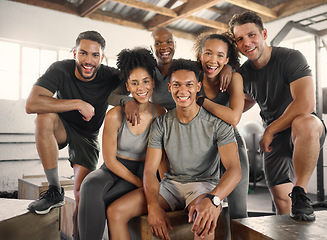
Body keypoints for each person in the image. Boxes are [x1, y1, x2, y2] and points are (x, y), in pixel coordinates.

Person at [106, 59, 242, 240]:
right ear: (169, 87)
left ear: (198, 87)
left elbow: (235, 170)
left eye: (189, 85)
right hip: (170, 185)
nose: (183, 90)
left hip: (203, 186)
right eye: (177, 85)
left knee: (203, 220)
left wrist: (213, 199)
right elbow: (149, 170)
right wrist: (153, 205)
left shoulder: (218, 123)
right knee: (115, 211)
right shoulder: (161, 123)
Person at [25, 31, 127, 237]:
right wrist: (78, 104)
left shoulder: (109, 75)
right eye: (83, 53)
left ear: (102, 58)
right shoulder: (60, 69)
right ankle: (55, 190)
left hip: (88, 137)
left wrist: (129, 101)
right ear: (74, 53)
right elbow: (31, 104)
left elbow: (139, 79)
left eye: (95, 55)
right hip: (62, 126)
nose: (89, 60)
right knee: (43, 117)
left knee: (82, 195)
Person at [229, 11, 327, 221]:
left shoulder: (290, 57)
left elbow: (305, 103)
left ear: (264, 33)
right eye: (240, 39)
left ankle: (300, 191)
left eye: (252, 35)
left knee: (306, 121)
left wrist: (270, 130)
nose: (247, 42)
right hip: (274, 136)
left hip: (301, 128)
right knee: (282, 202)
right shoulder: (245, 73)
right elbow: (246, 101)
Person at [77, 48, 166, 240]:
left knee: (108, 201)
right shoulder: (115, 115)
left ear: (152, 82)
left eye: (145, 82)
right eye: (134, 83)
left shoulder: (160, 112)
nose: (141, 88)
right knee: (90, 185)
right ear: (127, 85)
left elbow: (161, 156)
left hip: (146, 170)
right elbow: (110, 160)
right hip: (114, 169)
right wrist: (138, 184)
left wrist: (152, 182)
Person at [109, 27, 233, 121]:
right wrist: (128, 101)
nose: (164, 47)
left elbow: (212, 66)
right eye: (158, 43)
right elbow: (112, 96)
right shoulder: (146, 72)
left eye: (169, 42)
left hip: (186, 122)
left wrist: (227, 68)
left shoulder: (185, 67)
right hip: (158, 123)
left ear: (174, 45)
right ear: (151, 48)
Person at [193, 32, 249, 219]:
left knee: (238, 212)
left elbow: (234, 118)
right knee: (203, 209)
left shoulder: (234, 78)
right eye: (208, 53)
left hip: (231, 142)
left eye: (220, 55)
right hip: (200, 147)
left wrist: (202, 101)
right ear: (200, 55)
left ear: (227, 59)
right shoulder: (193, 74)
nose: (213, 60)